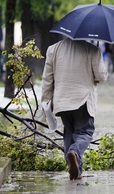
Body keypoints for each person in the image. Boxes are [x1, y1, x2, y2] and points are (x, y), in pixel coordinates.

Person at [41, 38, 108, 180]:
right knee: (85, 132)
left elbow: (47, 79)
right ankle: (74, 153)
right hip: (82, 100)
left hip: (62, 100)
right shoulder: (91, 49)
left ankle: (76, 170)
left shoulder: (53, 49)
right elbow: (101, 77)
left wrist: (46, 101)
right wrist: (97, 56)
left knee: (69, 132)